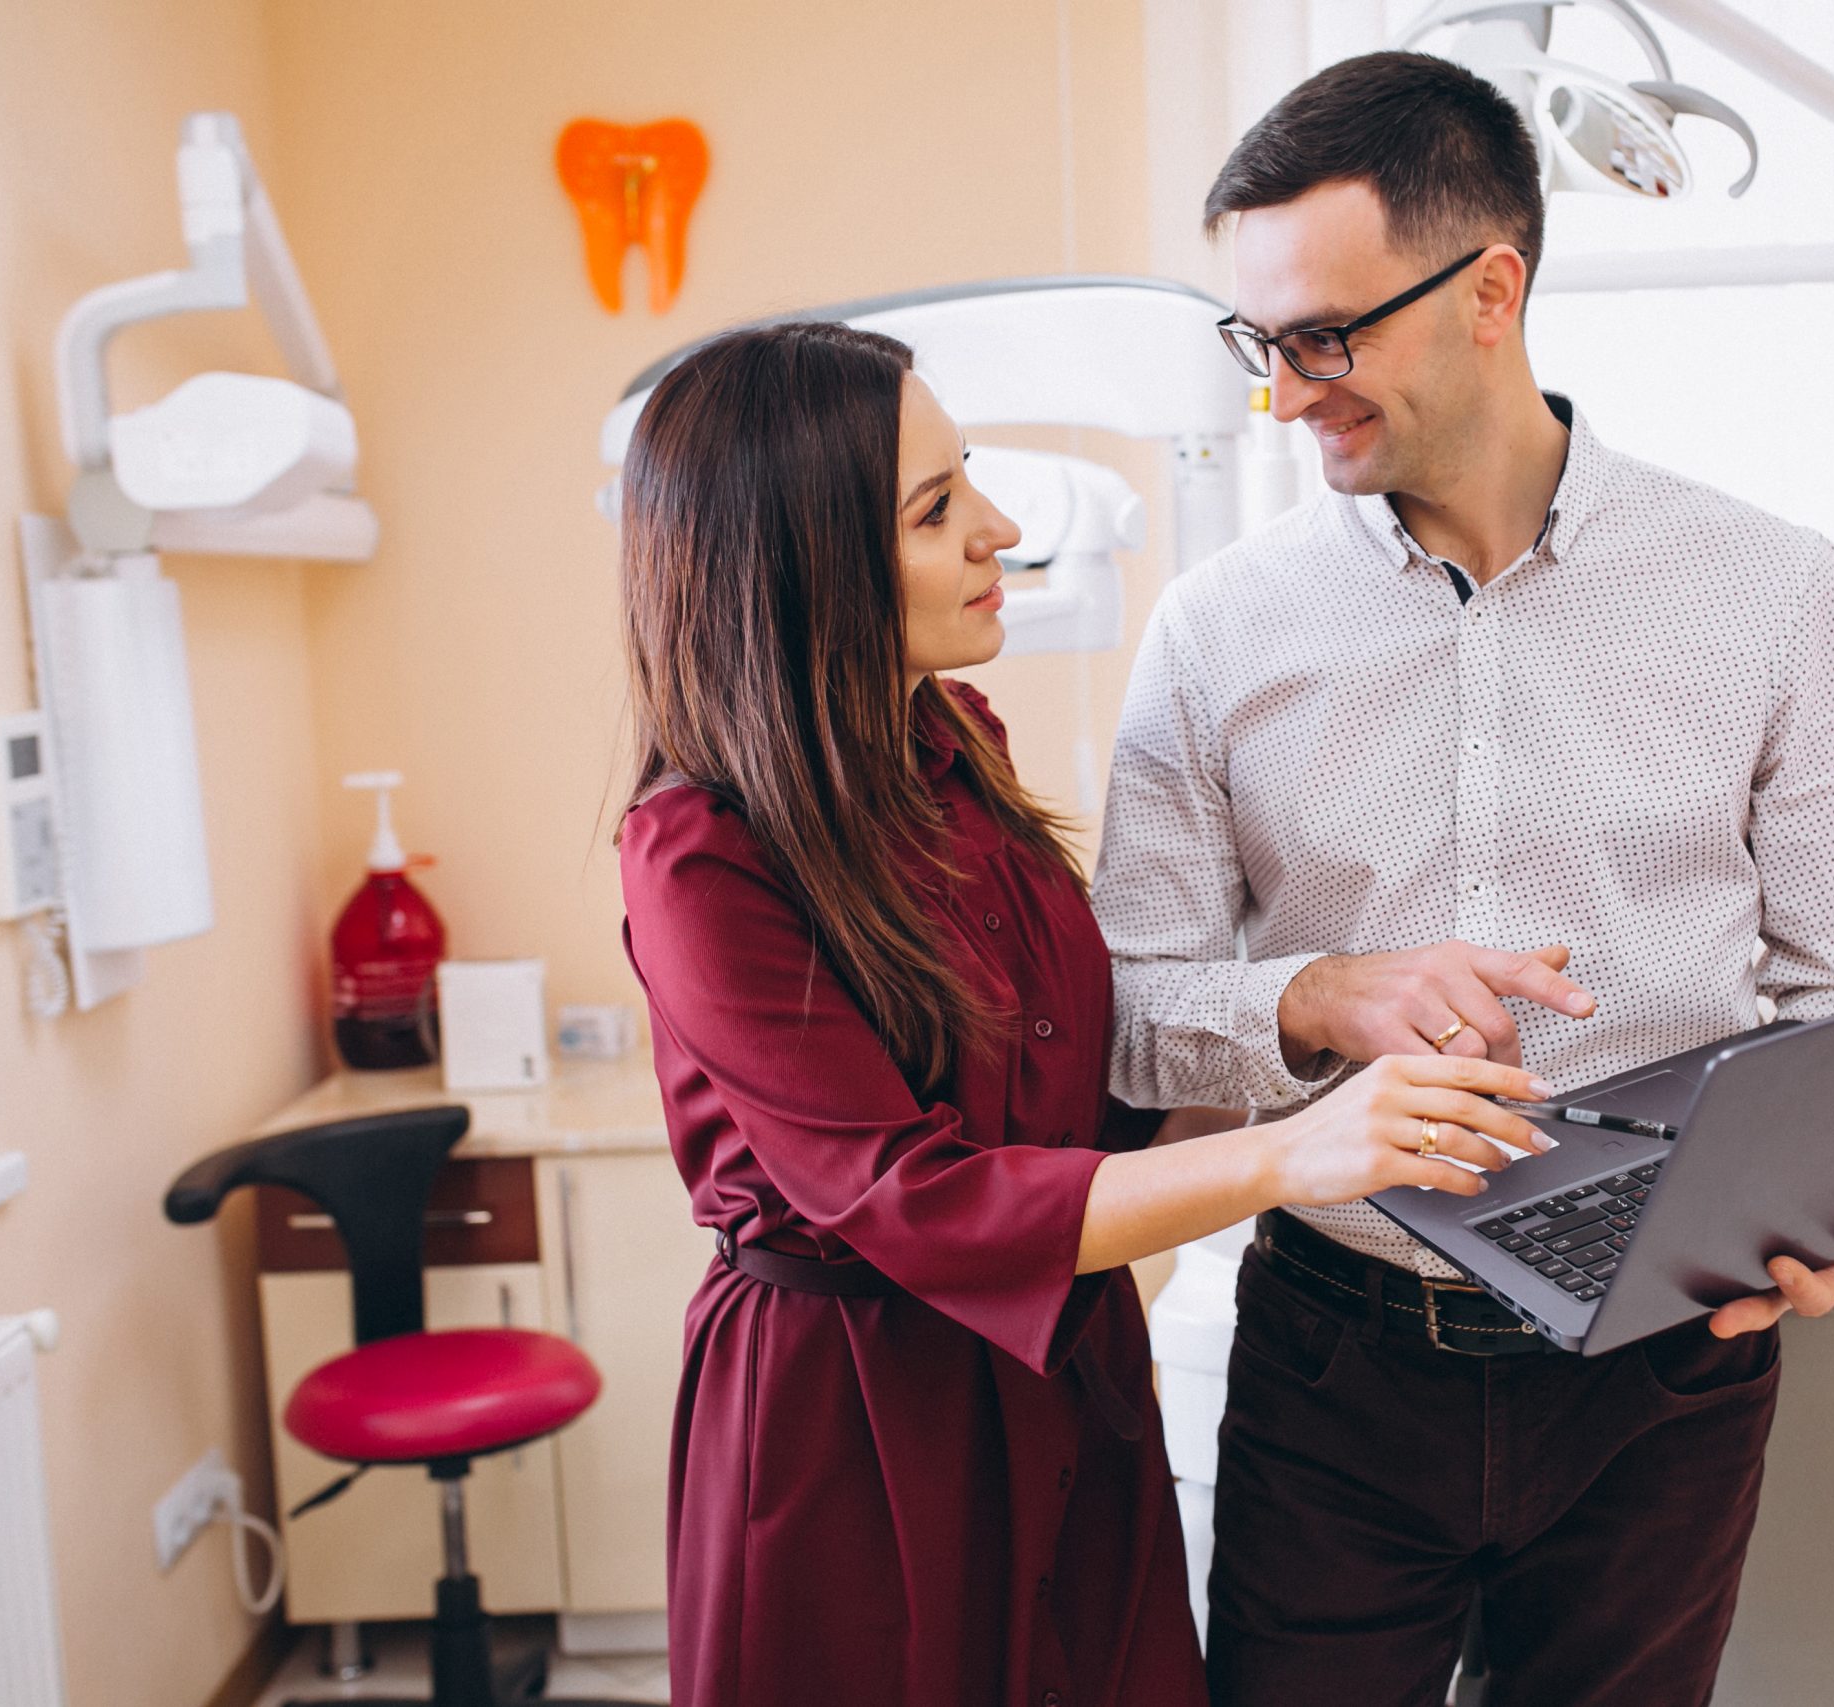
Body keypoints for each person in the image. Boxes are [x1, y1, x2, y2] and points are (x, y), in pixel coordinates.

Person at [1091, 52, 1834, 1707]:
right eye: (1258, 345)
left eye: (1324, 339)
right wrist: (1321, 994)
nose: (1284, 395)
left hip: (1664, 1371)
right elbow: (1127, 1013)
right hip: (1337, 1351)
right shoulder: (1215, 630)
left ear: (1493, 290)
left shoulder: (1768, 591)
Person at [613, 321, 1557, 1707]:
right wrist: (1299, 1155)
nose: (998, 530)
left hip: (1064, 1382)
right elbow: (909, 1197)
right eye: (936, 512)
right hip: (859, 1424)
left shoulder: (957, 749)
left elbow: (1074, 1084)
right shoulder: (705, 854)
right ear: (798, 565)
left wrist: (1321, 1014)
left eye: (968, 479)